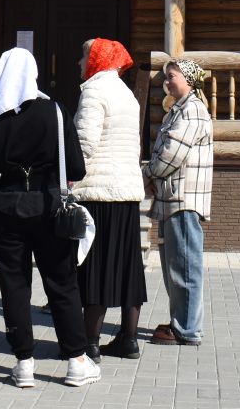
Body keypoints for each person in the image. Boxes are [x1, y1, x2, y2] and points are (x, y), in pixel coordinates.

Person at [0, 47, 100, 389]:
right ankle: (76, 362)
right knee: (62, 283)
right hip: (49, 206)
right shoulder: (55, 111)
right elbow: (76, 167)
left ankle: (23, 363)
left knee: (14, 286)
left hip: (6, 209)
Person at [73, 37, 147, 361]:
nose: (79, 63)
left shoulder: (93, 91)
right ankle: (129, 339)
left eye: (84, 56)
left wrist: (68, 176)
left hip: (98, 191)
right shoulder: (127, 94)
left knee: (96, 266)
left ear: (96, 59)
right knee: (128, 264)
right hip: (127, 191)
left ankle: (89, 343)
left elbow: (84, 144)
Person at [144, 58, 213, 347]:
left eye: (171, 76)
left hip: (183, 200)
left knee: (184, 266)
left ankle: (187, 329)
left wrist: (148, 173)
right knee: (176, 266)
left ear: (188, 79)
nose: (167, 81)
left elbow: (172, 153)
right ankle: (181, 322)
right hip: (174, 198)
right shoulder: (181, 109)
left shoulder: (192, 110)